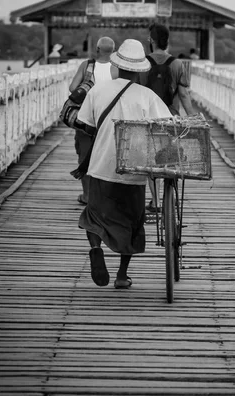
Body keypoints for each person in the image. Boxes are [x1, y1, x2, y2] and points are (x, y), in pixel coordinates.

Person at [76, 39, 171, 289]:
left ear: (117, 66)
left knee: (93, 216)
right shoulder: (147, 96)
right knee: (130, 224)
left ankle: (96, 248)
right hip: (134, 170)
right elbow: (167, 127)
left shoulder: (98, 90)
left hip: (100, 167)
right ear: (141, 69)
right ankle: (121, 275)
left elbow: (85, 122)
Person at [141, 22, 194, 212]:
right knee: (172, 157)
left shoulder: (143, 63)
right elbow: (184, 95)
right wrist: (193, 117)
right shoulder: (177, 64)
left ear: (151, 40)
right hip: (171, 119)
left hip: (149, 120)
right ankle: (171, 198)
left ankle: (155, 202)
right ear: (167, 41)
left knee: (151, 159)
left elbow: (137, 92)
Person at [69, 36, 119, 205]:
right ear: (113, 51)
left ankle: (87, 196)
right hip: (108, 120)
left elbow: (72, 88)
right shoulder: (117, 68)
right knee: (107, 156)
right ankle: (105, 196)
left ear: (97, 49)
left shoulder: (87, 65)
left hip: (85, 119)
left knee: (84, 155)